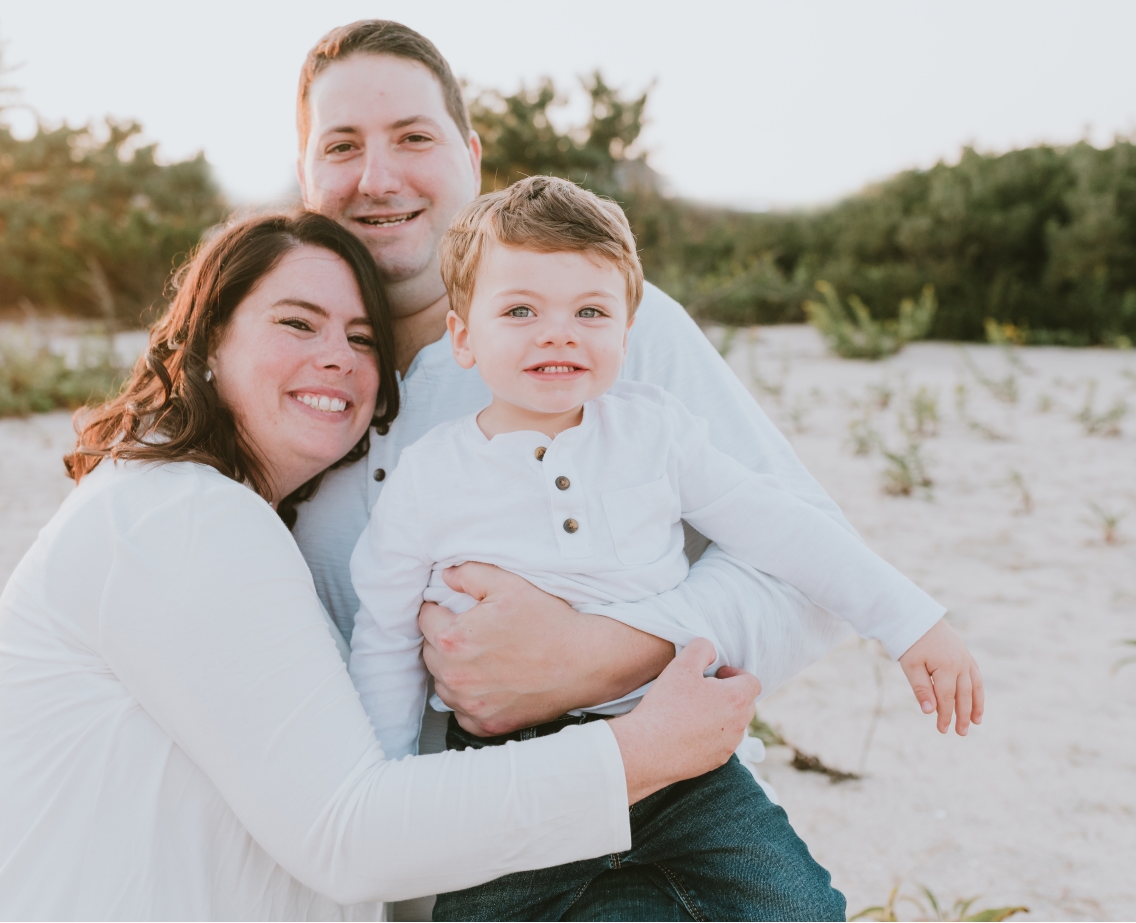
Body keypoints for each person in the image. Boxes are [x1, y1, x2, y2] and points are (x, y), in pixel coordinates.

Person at [0, 19, 984, 917]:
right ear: (306, 173)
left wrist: (602, 653)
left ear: (470, 153)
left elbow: (802, 568)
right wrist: (64, 699)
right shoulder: (307, 402)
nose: (380, 174)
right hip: (421, 870)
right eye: (343, 145)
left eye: (413, 136)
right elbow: (240, 626)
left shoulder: (599, 330)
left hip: (650, 815)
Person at [0, 211, 759, 921]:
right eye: (297, 323)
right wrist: (635, 753)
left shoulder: (225, 519)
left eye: (362, 338)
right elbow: (347, 831)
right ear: (208, 340)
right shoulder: (184, 513)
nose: (337, 355)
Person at [348, 176, 981, 920]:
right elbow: (384, 634)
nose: (559, 332)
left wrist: (907, 619)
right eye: (520, 311)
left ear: (627, 328)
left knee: (798, 905)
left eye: (590, 311)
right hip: (515, 776)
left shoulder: (658, 433)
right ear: (464, 336)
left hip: (682, 753)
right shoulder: (432, 474)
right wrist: (386, 794)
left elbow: (782, 528)